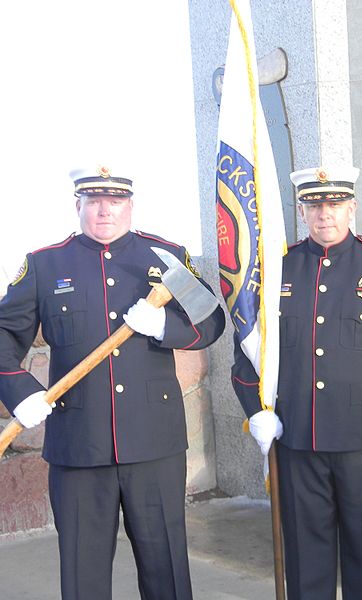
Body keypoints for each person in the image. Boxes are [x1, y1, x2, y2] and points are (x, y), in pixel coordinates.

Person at [0, 164, 226, 600]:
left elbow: (211, 321)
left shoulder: (165, 256)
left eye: (115, 200)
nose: (106, 210)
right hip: (79, 447)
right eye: (95, 200)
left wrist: (165, 325)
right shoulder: (44, 265)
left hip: (154, 445)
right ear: (78, 205)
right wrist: (19, 389)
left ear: (130, 204)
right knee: (84, 576)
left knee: (167, 572)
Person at [231, 166, 362, 600]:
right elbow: (247, 348)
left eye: (335, 203)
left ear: (352, 207)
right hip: (298, 439)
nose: (325, 214)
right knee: (305, 561)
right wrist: (256, 412)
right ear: (302, 211)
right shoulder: (275, 270)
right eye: (315, 204)